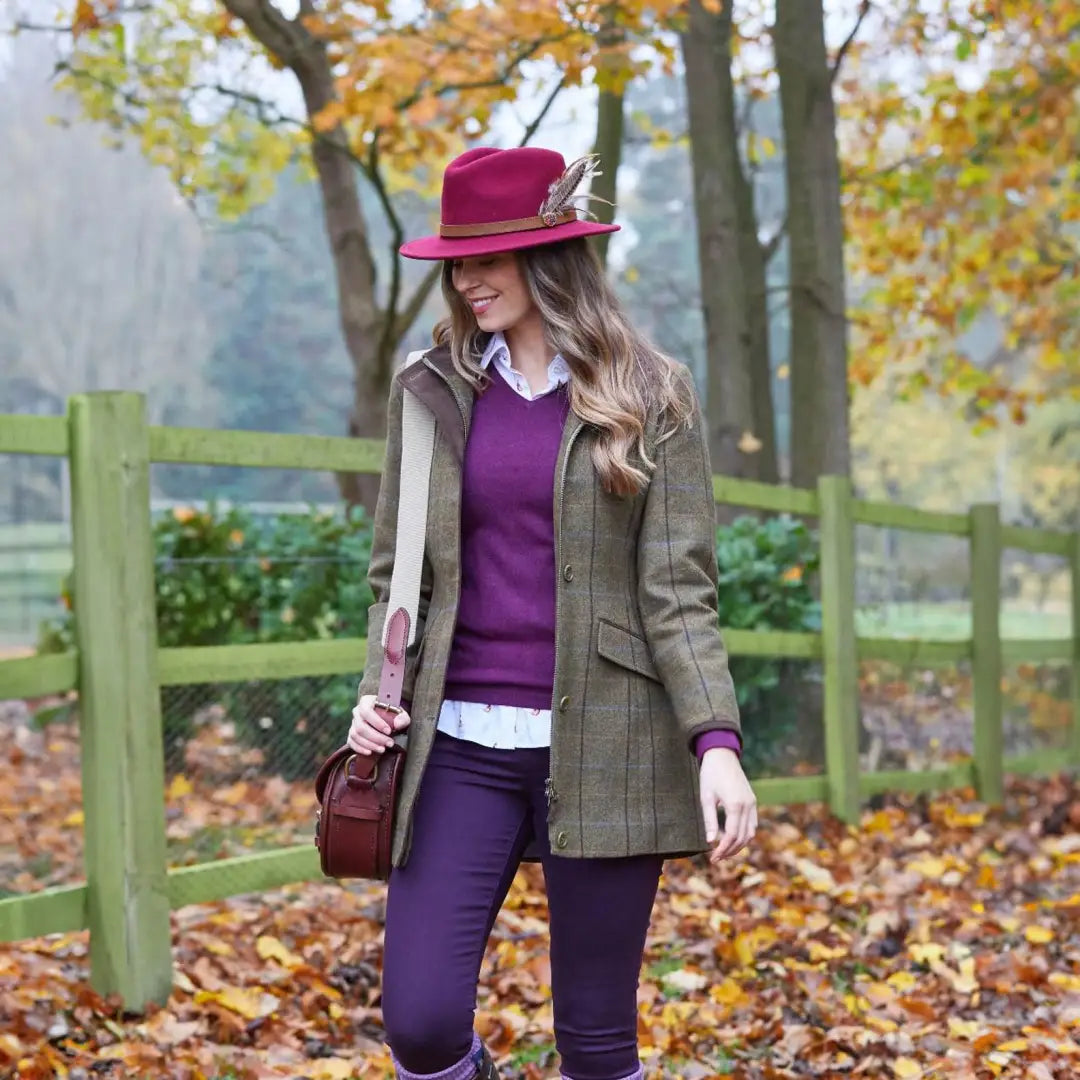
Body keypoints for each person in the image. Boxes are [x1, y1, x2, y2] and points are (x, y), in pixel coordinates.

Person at [347, 146, 757, 1080]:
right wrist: (379, 687)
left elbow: (679, 589)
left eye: (486, 256)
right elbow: (395, 574)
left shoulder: (653, 396)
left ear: (549, 257)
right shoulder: (429, 393)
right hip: (456, 740)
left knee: (597, 1038)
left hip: (609, 737)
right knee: (418, 1020)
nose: (466, 278)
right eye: (457, 259)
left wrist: (717, 743)